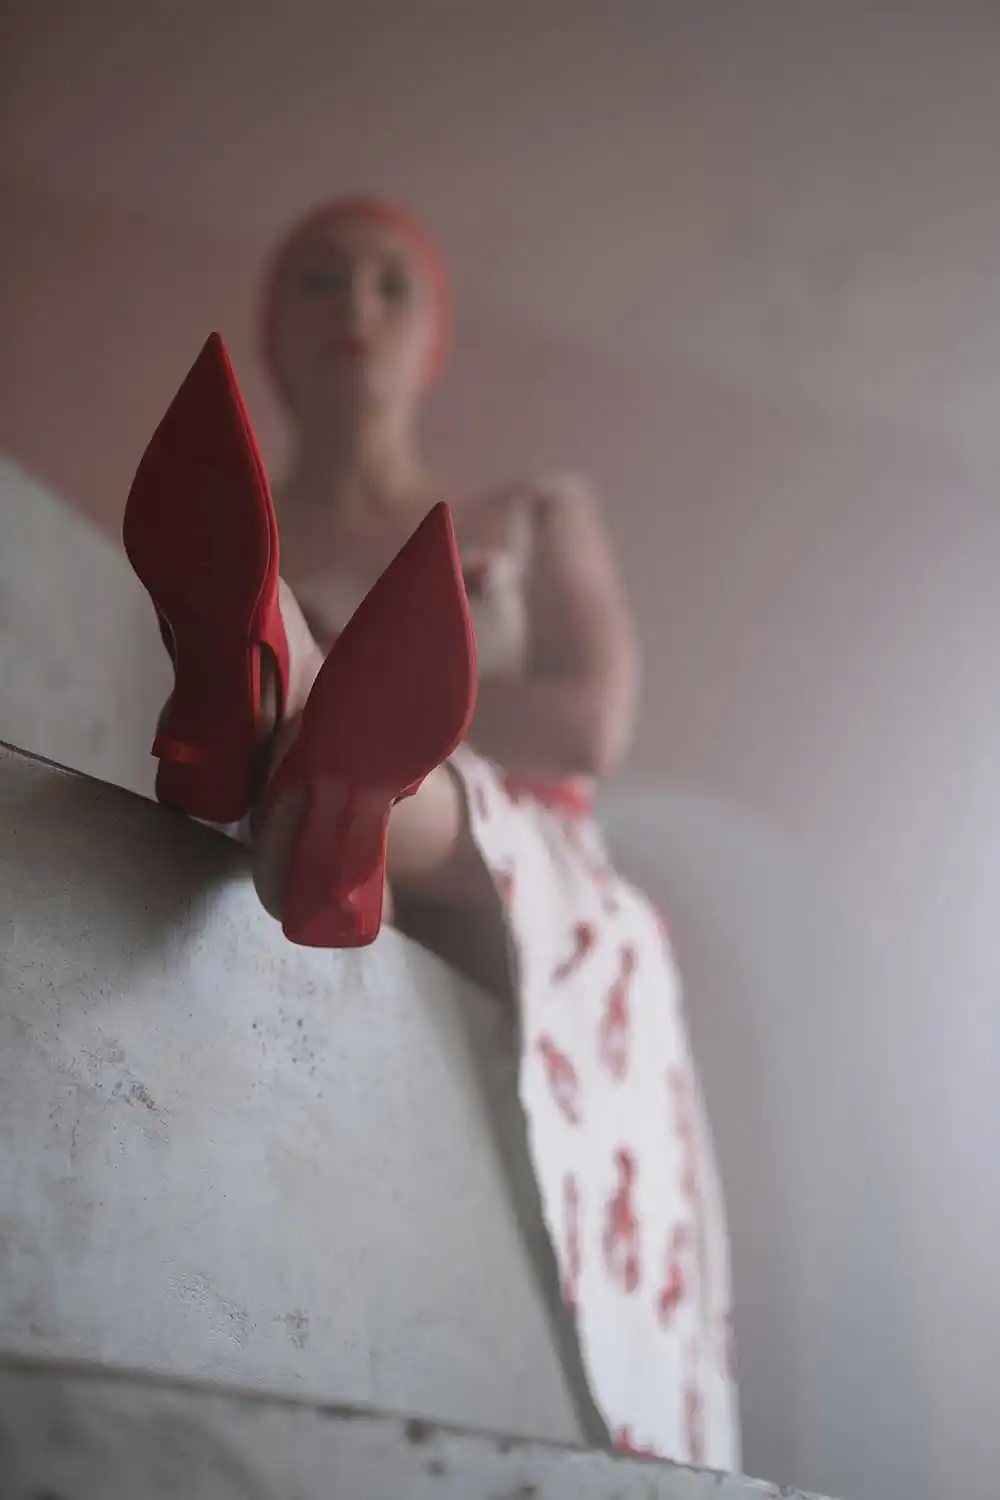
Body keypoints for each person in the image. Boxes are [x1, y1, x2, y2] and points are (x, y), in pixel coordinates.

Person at [123, 197, 740, 1470]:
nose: (354, 306)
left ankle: (294, 703)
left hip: (527, 879)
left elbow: (589, 723)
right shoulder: (263, 525)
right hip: (333, 873)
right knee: (333, 776)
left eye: (389, 283)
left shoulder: (534, 513)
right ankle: (324, 798)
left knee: (376, 757)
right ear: (274, 338)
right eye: (319, 282)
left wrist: (369, 681)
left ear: (433, 337)